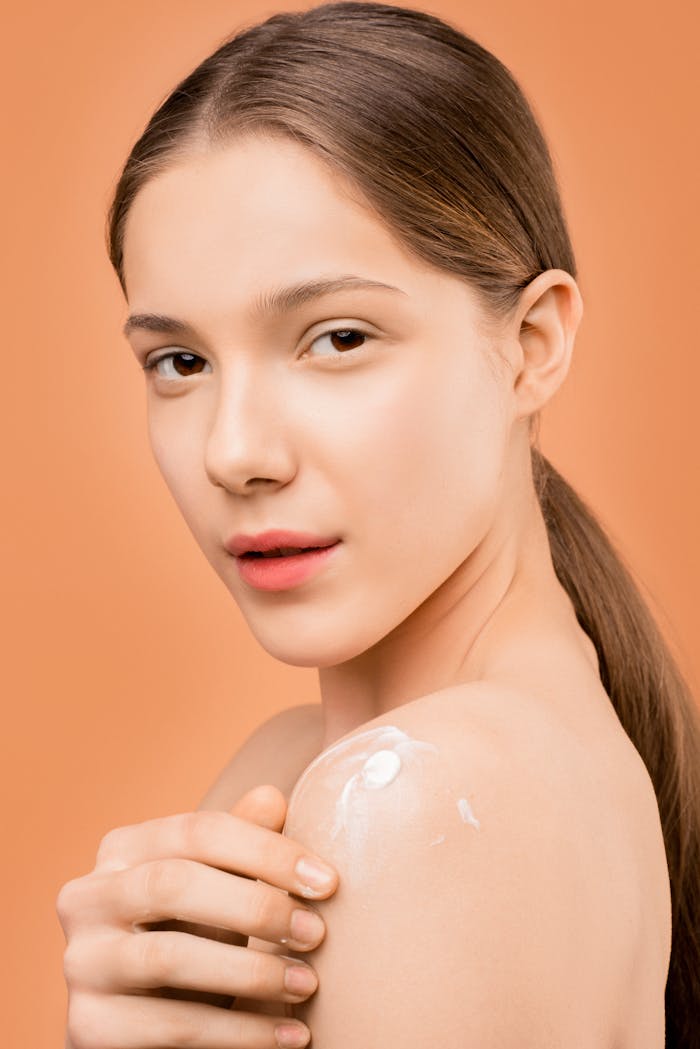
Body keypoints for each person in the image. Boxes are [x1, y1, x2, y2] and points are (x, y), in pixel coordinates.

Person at [56, 3, 700, 1047]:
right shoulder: (305, 757)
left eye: (336, 337)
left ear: (532, 343)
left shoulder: (424, 799)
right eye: (179, 360)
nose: (234, 451)